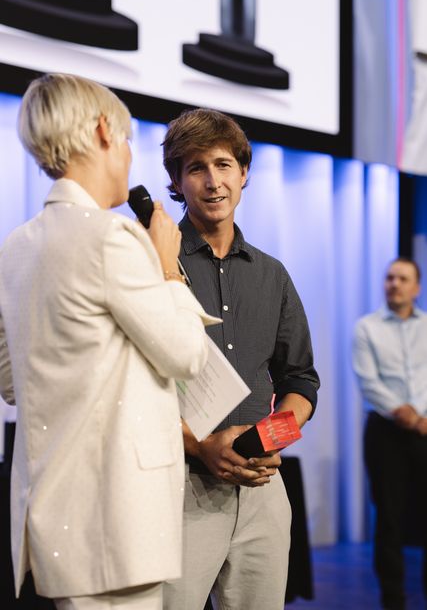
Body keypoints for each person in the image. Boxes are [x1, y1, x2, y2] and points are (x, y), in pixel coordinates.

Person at [0, 74, 219, 610]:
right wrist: (166, 266)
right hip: (117, 518)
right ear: (102, 130)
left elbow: (11, 382)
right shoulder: (112, 237)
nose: (126, 154)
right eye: (124, 139)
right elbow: (187, 354)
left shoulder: (15, 246)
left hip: (52, 511)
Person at [161, 107, 320, 610]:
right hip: (177, 487)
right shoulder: (153, 264)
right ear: (176, 181)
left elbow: (301, 381)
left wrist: (268, 439)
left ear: (244, 173)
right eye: (197, 168)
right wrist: (200, 444)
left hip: (262, 491)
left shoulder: (272, 275)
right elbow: (128, 388)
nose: (213, 182)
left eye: (224, 165)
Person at [352, 257, 427, 610]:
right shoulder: (367, 328)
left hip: (425, 428)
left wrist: (421, 417)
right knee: (389, 518)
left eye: (402, 279)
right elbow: (368, 381)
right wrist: (405, 414)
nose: (394, 284)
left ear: (416, 287)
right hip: (386, 432)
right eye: (390, 278)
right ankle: (393, 600)